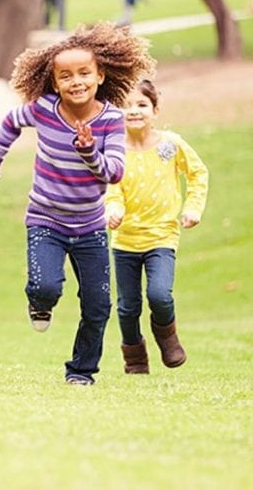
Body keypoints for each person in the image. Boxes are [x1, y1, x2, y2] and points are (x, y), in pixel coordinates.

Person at [0, 23, 156, 385]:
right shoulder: (43, 110)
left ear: (100, 75)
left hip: (90, 227)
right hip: (45, 220)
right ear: (54, 82)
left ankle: (81, 372)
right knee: (45, 287)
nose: (76, 82)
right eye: (65, 76)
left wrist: (88, 153)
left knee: (98, 306)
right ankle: (39, 302)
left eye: (84, 73)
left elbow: (114, 172)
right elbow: (10, 122)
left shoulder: (111, 121)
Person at [105, 79, 208, 374]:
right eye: (125, 105)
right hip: (124, 241)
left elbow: (198, 173)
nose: (133, 111)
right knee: (127, 307)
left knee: (160, 295)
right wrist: (113, 209)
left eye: (141, 105)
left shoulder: (170, 144)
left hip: (162, 237)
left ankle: (167, 336)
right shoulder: (114, 151)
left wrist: (193, 207)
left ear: (155, 109)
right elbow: (110, 188)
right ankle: (135, 357)